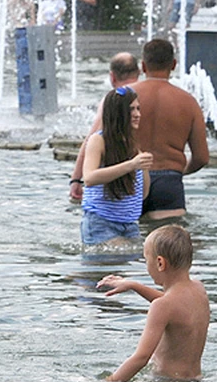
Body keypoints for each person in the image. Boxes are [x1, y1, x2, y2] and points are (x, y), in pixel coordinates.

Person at [98, 224, 209, 382]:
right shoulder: (198, 289)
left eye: (146, 259)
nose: (146, 266)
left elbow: (141, 358)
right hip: (195, 380)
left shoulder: (162, 306)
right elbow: (174, 306)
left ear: (160, 263)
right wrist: (134, 285)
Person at [131, 38, 209, 220]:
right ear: (173, 64)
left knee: (127, 243)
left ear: (143, 66)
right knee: (171, 245)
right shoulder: (189, 102)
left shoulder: (123, 97)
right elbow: (202, 157)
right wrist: (177, 172)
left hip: (129, 179)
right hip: (168, 182)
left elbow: (98, 140)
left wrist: (78, 180)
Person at [80, 86, 152, 247]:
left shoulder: (132, 146)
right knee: (116, 263)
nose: (137, 114)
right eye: (131, 109)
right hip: (101, 223)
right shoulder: (98, 140)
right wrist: (131, 165)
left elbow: (143, 194)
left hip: (129, 225)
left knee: (139, 262)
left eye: (138, 109)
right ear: (118, 113)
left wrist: (143, 167)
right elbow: (89, 178)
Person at [70, 52, 141, 201]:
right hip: (159, 177)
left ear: (112, 76)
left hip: (126, 179)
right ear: (139, 72)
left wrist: (76, 179)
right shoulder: (157, 93)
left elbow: (92, 138)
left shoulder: (115, 100)